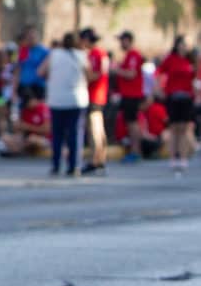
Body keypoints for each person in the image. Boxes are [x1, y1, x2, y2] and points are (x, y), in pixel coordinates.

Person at [39, 32, 92, 176]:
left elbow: (41, 72)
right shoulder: (82, 55)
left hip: (57, 99)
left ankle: (56, 165)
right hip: (76, 99)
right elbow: (90, 75)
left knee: (57, 134)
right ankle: (74, 165)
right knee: (74, 134)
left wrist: (54, 78)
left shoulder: (54, 54)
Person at [155, 35, 196, 172]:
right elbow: (159, 73)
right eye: (182, 44)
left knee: (184, 128)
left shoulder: (191, 60)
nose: (184, 47)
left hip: (187, 98)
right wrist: (159, 89)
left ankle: (183, 158)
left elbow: (196, 78)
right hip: (173, 97)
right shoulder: (170, 59)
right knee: (174, 128)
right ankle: (173, 157)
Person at [79, 27, 109, 176]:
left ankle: (95, 160)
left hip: (94, 95)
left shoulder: (96, 54)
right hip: (97, 95)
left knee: (94, 130)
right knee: (98, 129)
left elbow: (95, 74)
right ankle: (100, 159)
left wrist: (82, 77)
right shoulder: (99, 53)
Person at [113, 31, 145, 163]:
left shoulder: (133, 55)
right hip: (127, 94)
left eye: (122, 40)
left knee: (133, 123)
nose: (121, 43)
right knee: (130, 123)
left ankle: (136, 151)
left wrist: (116, 70)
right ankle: (135, 150)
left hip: (132, 94)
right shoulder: (129, 55)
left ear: (128, 40)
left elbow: (131, 74)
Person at [15, 26, 48, 105]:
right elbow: (18, 69)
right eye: (29, 36)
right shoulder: (23, 50)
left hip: (39, 87)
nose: (31, 38)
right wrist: (14, 90)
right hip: (24, 87)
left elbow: (48, 71)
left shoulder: (44, 51)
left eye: (33, 35)